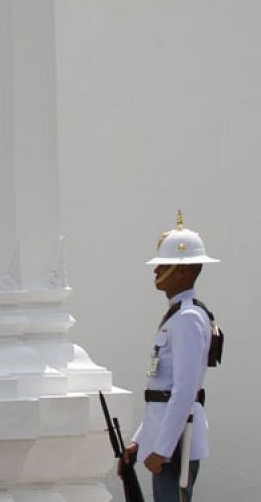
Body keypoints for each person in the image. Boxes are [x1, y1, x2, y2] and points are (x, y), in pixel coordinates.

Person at [120, 212, 221, 501]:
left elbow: (184, 390)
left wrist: (162, 448)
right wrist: (140, 441)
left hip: (177, 441)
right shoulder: (176, 315)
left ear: (184, 271)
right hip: (166, 436)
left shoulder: (188, 317)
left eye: (163, 265)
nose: (156, 272)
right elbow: (159, 391)